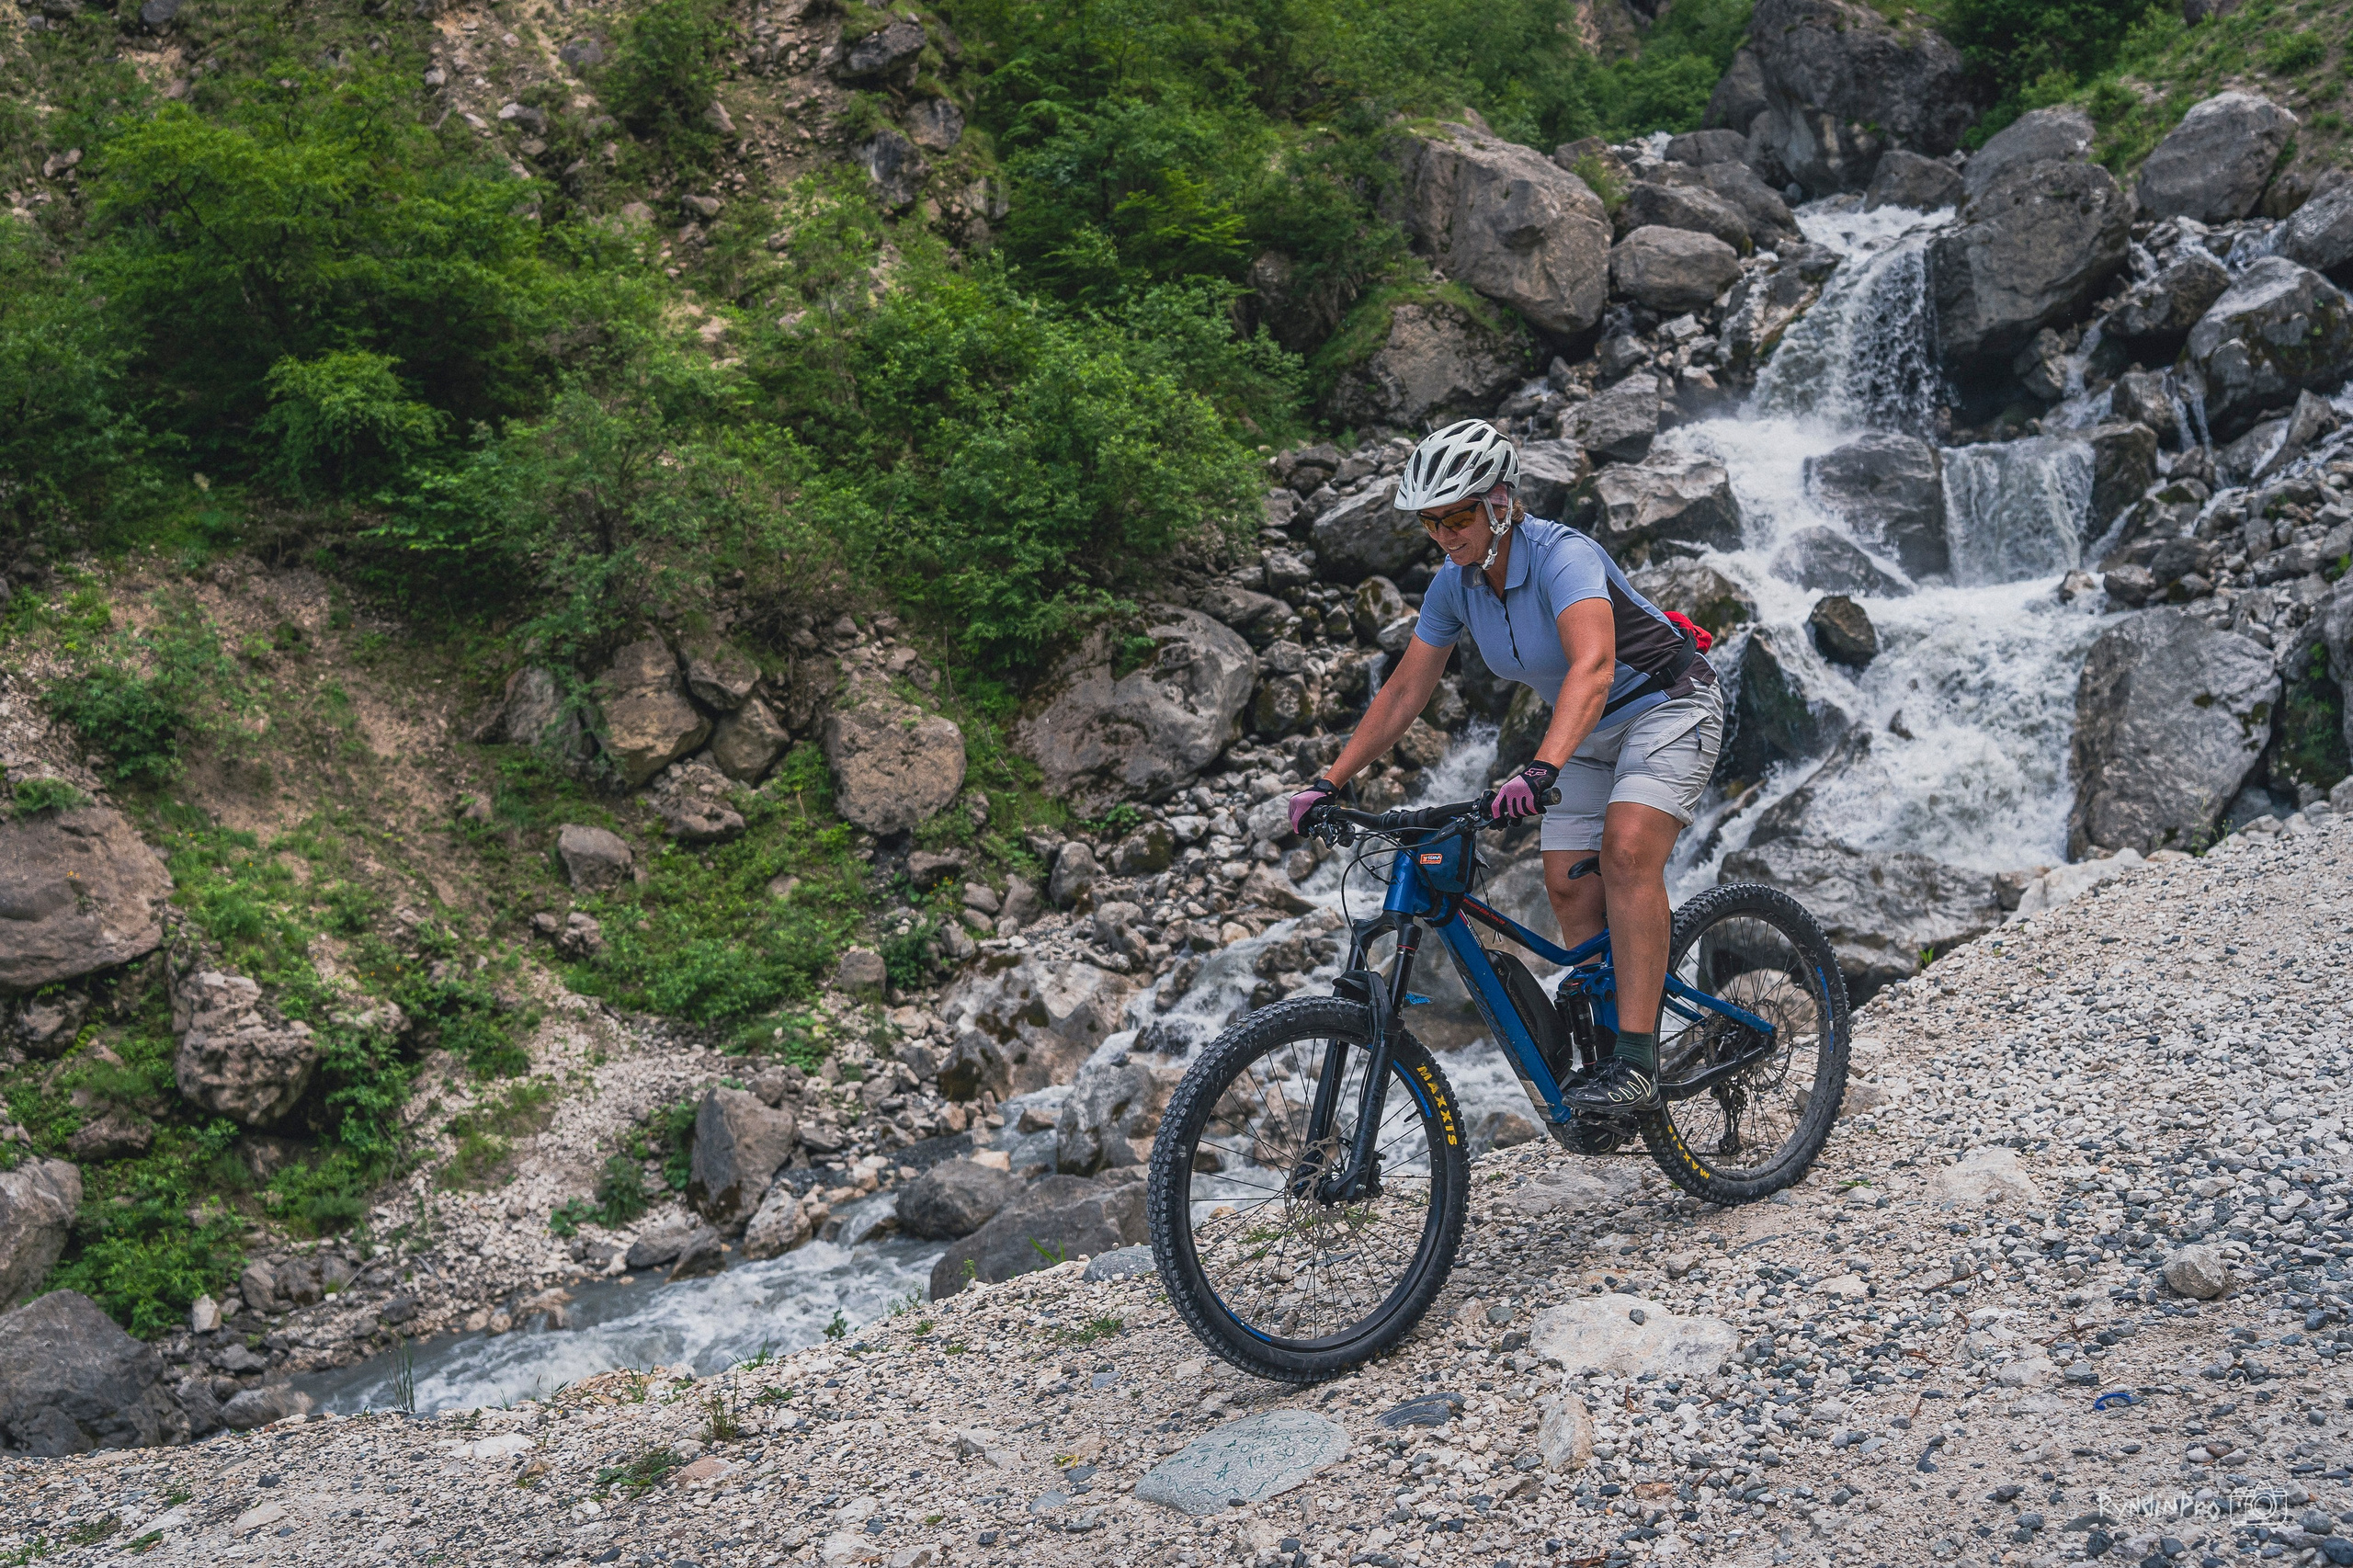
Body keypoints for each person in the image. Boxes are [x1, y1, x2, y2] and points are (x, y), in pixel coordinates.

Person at [1287, 419, 1723, 1111]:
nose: (1444, 534)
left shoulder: (1563, 557)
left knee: (1628, 853)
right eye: (1431, 521)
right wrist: (1329, 780)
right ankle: (1615, 1042)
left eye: (1457, 516)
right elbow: (1405, 691)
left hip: (1666, 705)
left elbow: (1594, 664)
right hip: (1585, 730)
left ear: (1500, 502)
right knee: (1569, 888)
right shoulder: (1454, 586)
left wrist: (1541, 768)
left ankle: (1638, 1064)